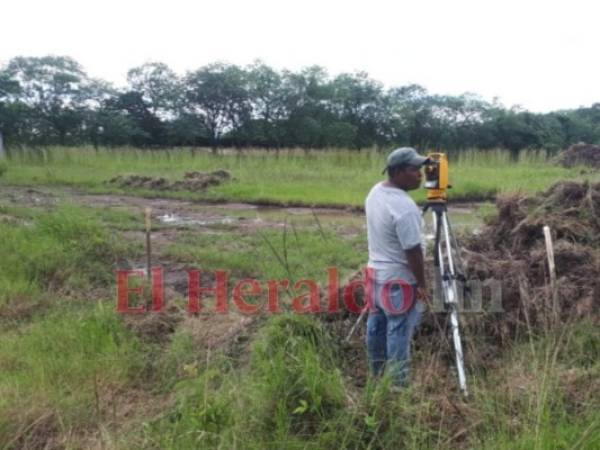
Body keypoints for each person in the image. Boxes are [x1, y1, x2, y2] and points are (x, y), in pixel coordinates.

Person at [365, 147, 430, 386]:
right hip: (399, 281)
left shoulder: (375, 191)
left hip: (374, 276)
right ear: (399, 172)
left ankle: (377, 376)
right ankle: (397, 387)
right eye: (415, 170)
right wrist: (422, 284)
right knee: (399, 332)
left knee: (376, 327)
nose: (421, 175)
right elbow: (413, 251)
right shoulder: (405, 208)